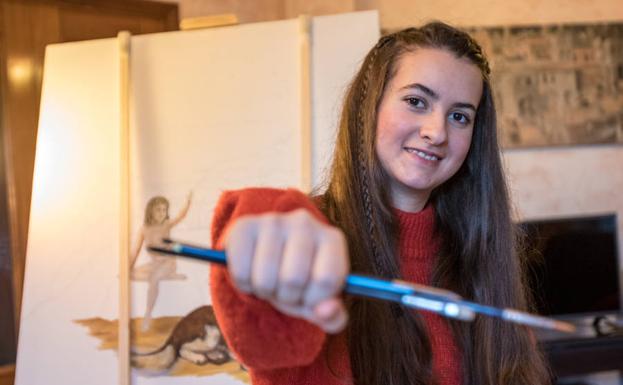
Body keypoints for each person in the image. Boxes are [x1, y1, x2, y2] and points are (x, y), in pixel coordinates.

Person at [209, 22, 550, 385]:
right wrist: (270, 227)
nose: (437, 132)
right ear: (369, 107)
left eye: (459, 116)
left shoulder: (483, 263)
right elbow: (259, 227)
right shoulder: (315, 237)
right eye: (416, 101)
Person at [131, 193, 192, 330]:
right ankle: (169, 276)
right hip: (155, 264)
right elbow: (135, 250)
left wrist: (187, 202)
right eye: (158, 209)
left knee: (153, 279)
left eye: (164, 210)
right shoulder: (144, 229)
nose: (162, 213)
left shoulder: (166, 224)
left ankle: (148, 314)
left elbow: (180, 216)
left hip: (168, 262)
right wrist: (128, 268)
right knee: (132, 274)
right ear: (150, 210)